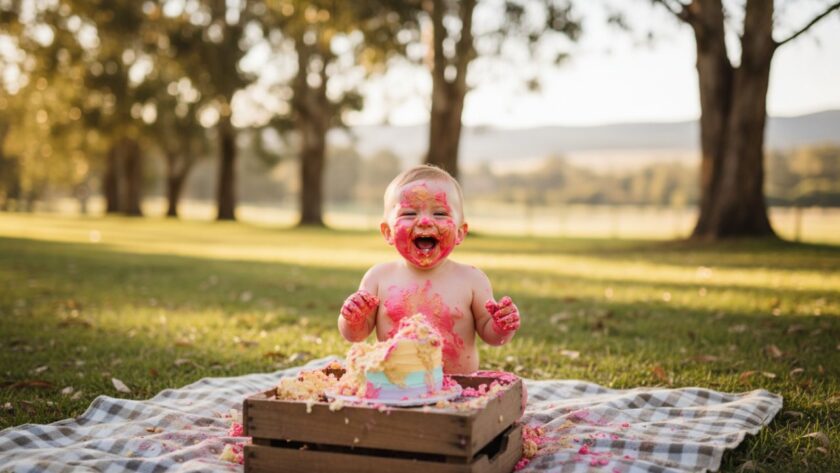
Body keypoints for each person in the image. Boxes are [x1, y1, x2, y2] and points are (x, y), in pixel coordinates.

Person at [337, 164, 520, 374]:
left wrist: (501, 326)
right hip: (395, 387)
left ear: (460, 233)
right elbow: (355, 336)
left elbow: (493, 337)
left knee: (515, 392)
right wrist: (352, 318)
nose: (424, 221)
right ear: (387, 232)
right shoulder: (378, 278)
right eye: (409, 213)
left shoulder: (472, 279)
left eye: (440, 213)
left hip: (458, 389)